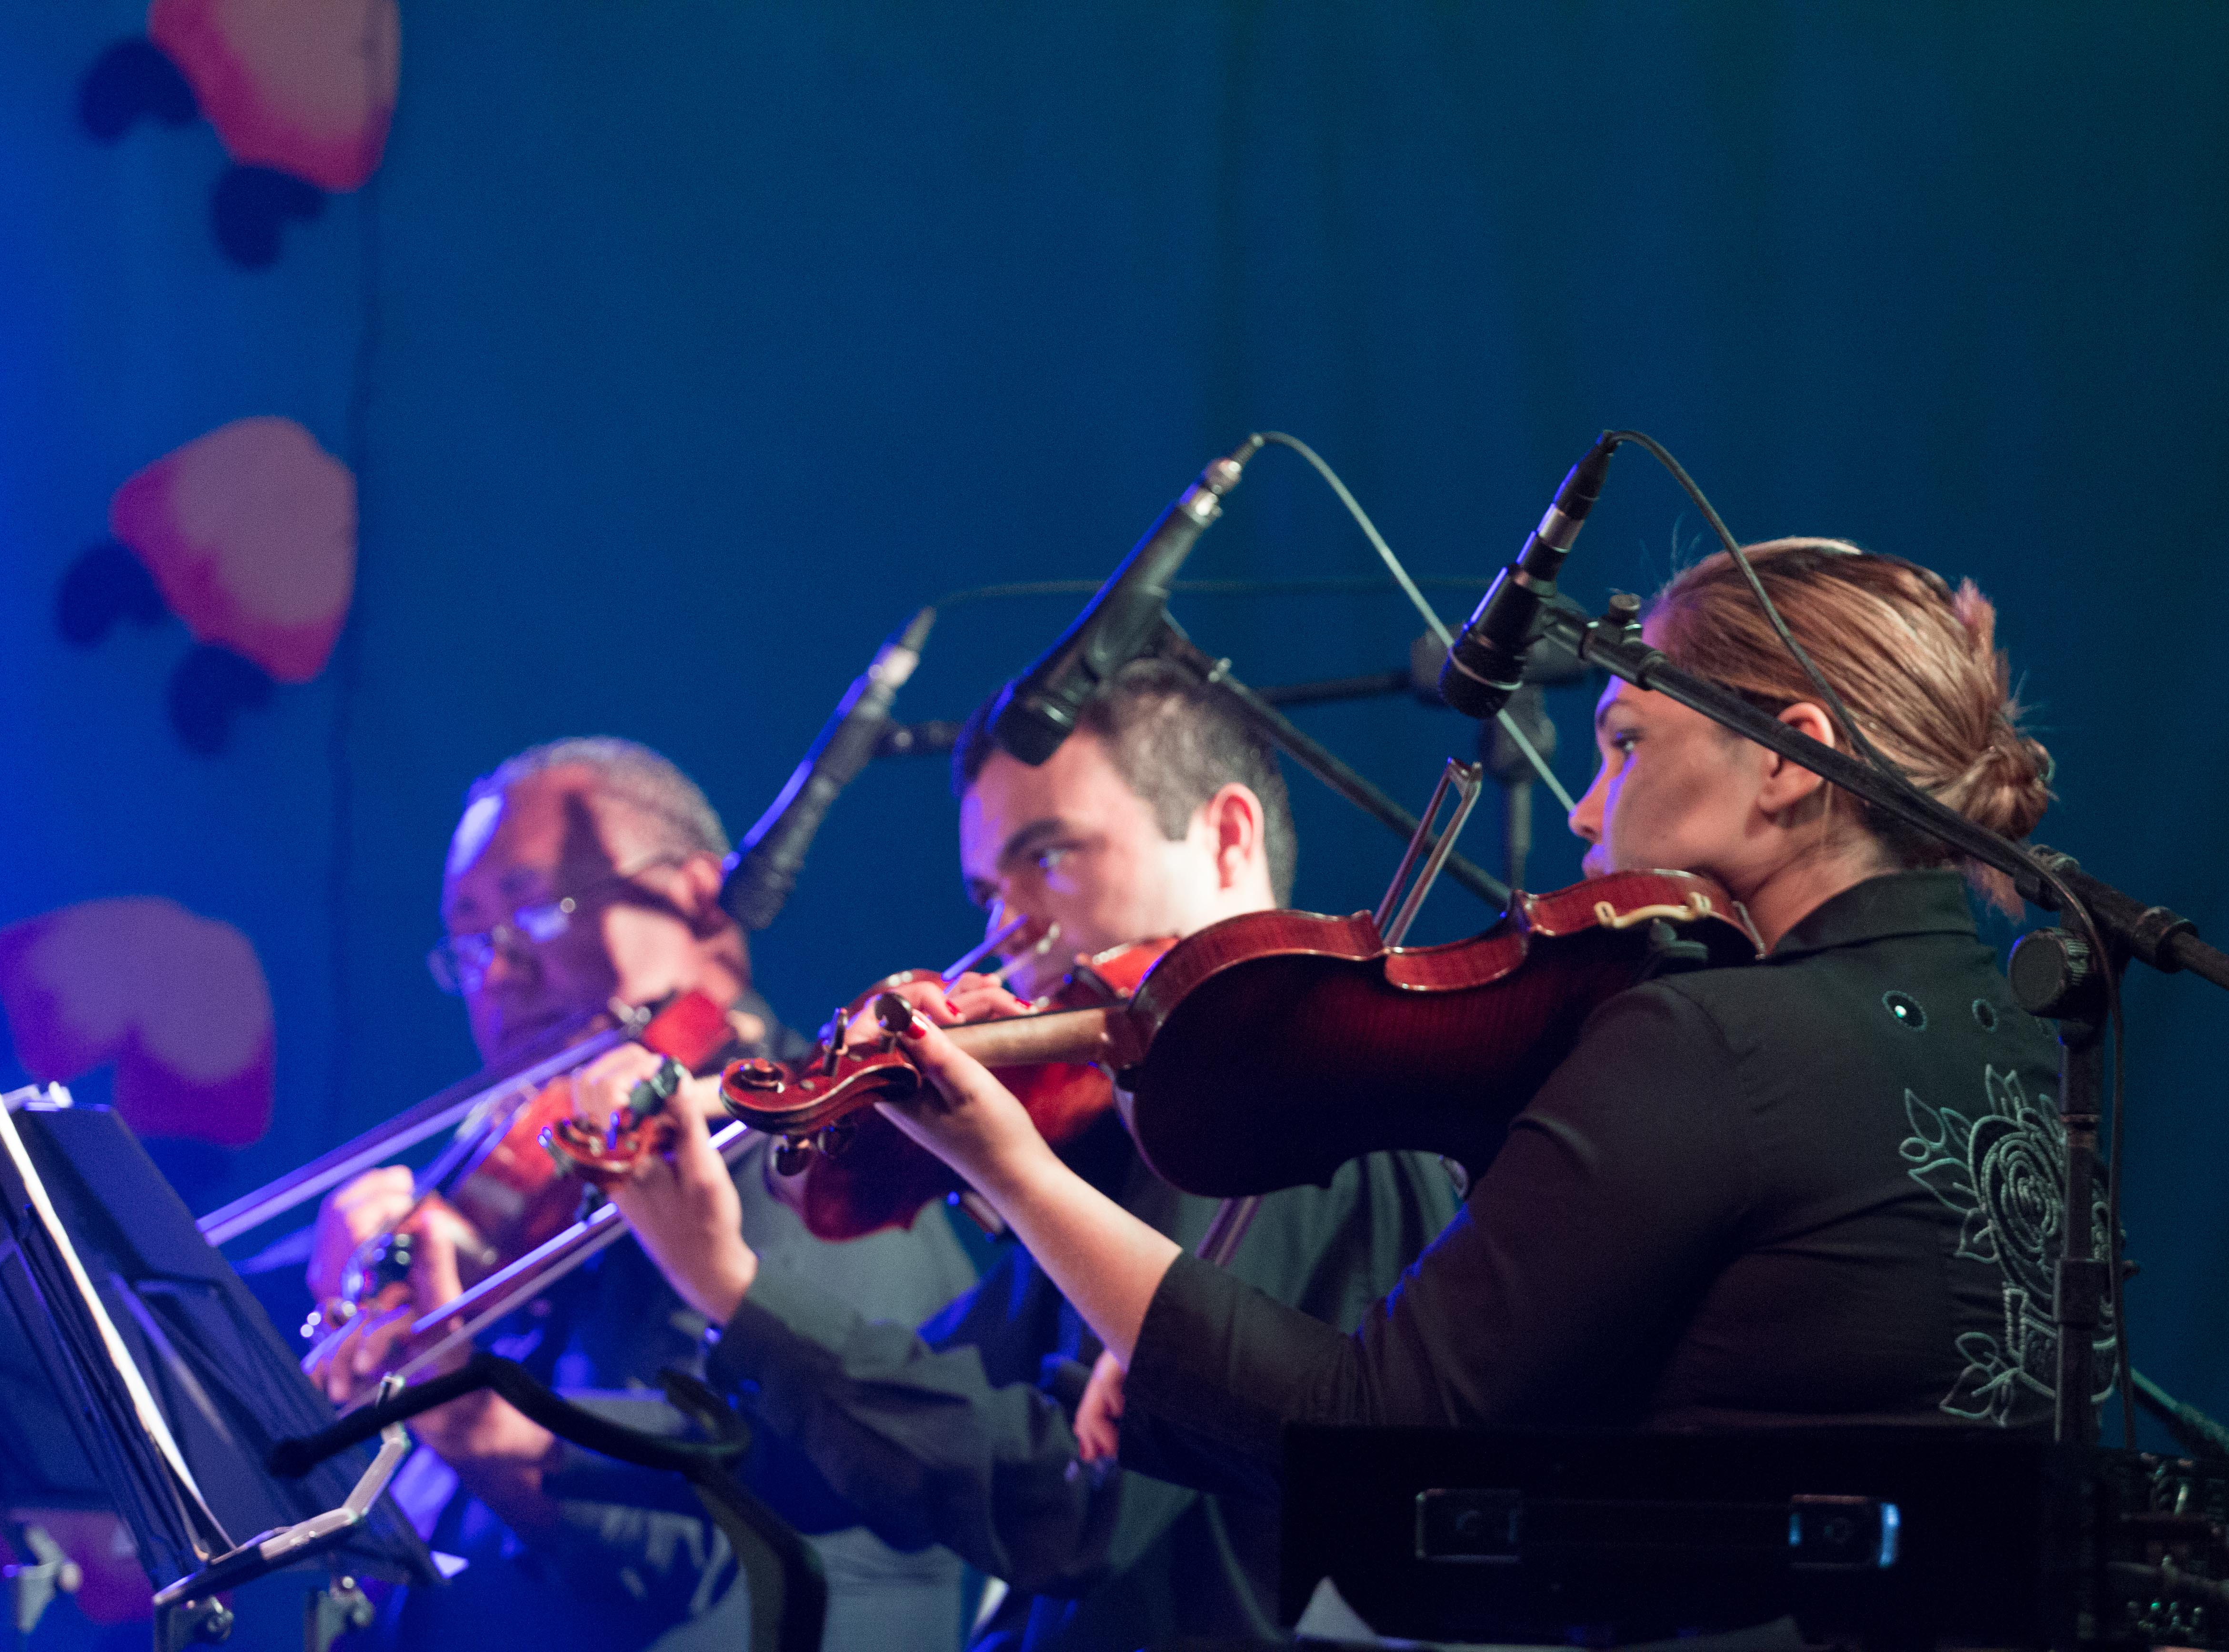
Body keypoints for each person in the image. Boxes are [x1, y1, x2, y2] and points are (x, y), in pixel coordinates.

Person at [828, 542, 2104, 1481]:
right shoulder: (2028, 1055)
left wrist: (1011, 1169)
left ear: (1784, 759)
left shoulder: (1712, 1043)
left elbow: (1382, 1431)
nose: (1584, 810)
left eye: (1625, 746)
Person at [576, 660, 1463, 1649]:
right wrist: (526, 1427)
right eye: (990, 892)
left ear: (1226, 838)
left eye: (1050, 859)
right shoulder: (1119, 1146)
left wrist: (738, 1286)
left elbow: (1068, 1509)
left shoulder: (1283, 1109)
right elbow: (874, 1448)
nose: (1008, 932)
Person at [306, 737, 982, 1652]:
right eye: (471, 943)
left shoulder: (813, 1171)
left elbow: (699, 1553)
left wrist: (470, 1426)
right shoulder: (535, 1190)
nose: (501, 975)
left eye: (536, 913)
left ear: (700, 896)